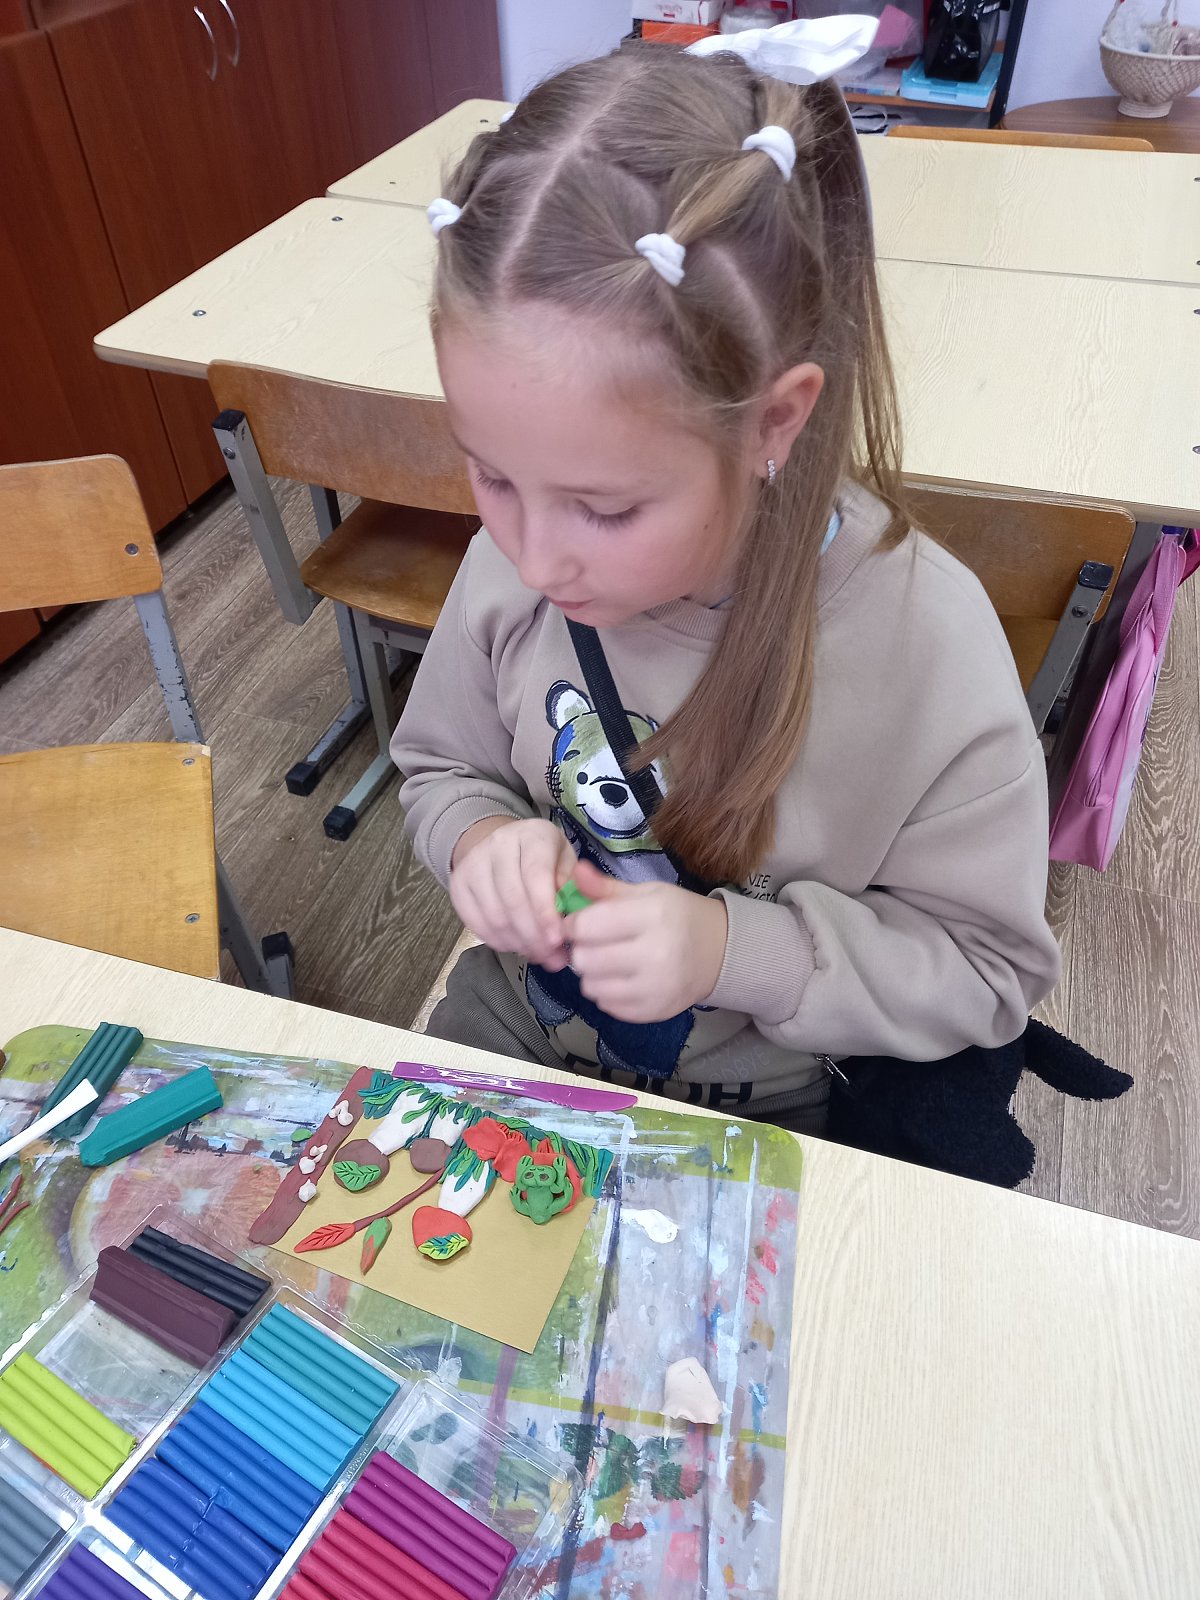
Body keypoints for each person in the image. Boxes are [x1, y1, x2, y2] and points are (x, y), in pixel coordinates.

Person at [391, 38, 1061, 1131]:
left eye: (606, 509)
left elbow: (987, 972)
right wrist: (478, 838)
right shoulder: (510, 571)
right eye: (493, 477)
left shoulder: (927, 646)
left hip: (789, 1108)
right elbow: (439, 765)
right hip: (524, 1040)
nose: (536, 560)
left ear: (774, 423)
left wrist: (730, 952)